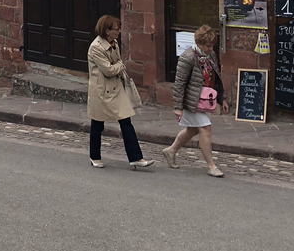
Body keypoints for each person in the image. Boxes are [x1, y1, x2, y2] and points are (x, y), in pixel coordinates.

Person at [86, 15, 154, 170]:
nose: (119, 31)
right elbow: (109, 70)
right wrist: (120, 66)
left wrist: (118, 65)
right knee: (97, 124)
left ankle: (136, 157)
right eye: (116, 29)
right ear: (107, 31)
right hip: (101, 91)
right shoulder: (96, 47)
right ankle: (94, 156)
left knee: (126, 121)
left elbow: (115, 64)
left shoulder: (113, 43)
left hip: (116, 89)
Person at [162, 24, 228, 177]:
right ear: (199, 43)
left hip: (206, 99)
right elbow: (179, 84)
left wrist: (222, 98)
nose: (211, 49)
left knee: (192, 129)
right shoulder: (188, 57)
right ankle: (211, 166)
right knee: (206, 129)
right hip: (192, 101)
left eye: (212, 46)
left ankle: (170, 151)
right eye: (208, 46)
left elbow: (216, 78)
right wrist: (178, 107)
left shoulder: (210, 56)